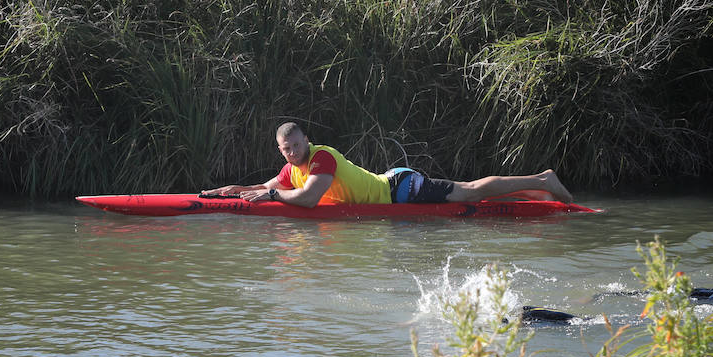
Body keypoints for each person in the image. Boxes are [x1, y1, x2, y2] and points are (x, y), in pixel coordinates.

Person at [201, 122, 577, 208]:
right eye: (285, 150)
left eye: (295, 146)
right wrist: (229, 192)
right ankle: (533, 193)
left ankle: (543, 178)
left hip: (401, 189)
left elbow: (309, 200)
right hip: (393, 189)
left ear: (305, 140)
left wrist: (270, 196)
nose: (291, 153)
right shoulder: (291, 169)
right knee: (472, 194)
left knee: (472, 191)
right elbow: (267, 186)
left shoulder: (321, 158)